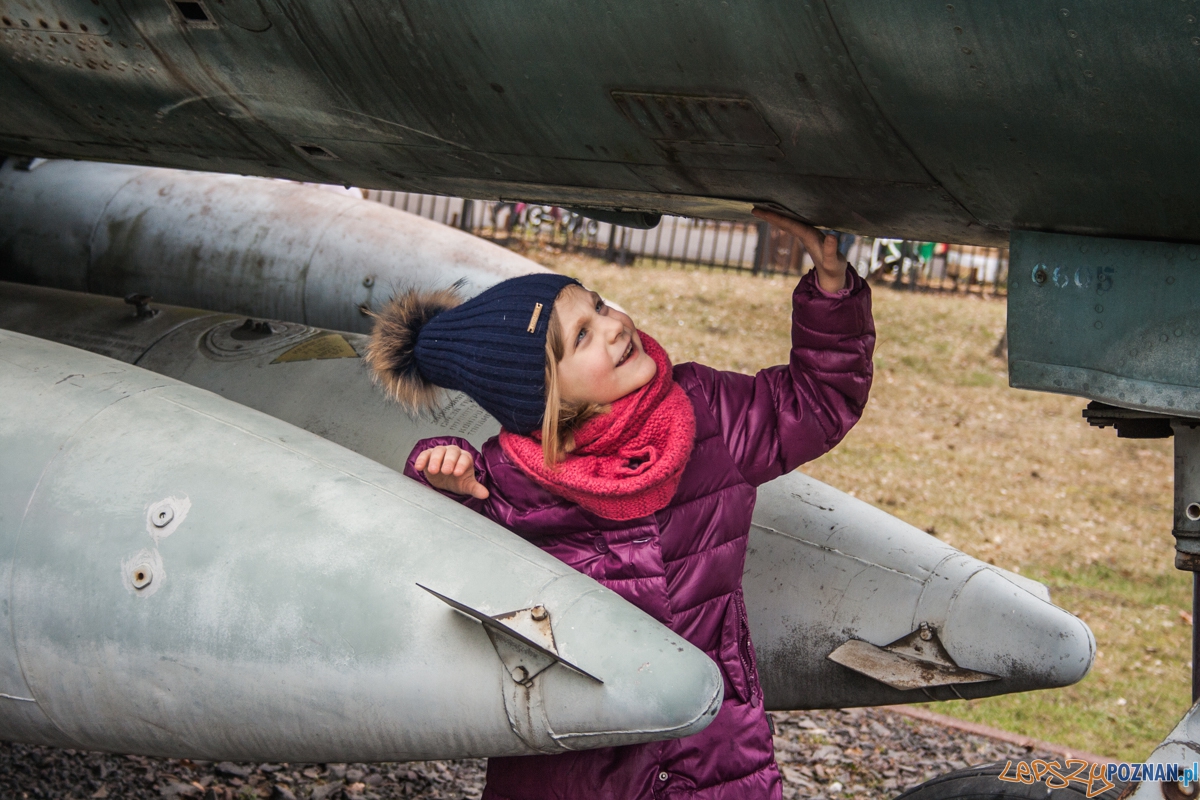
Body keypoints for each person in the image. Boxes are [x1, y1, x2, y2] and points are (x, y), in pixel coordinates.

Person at [364, 209, 875, 800]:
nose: (612, 326)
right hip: (576, 764)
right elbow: (446, 568)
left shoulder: (707, 414)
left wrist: (832, 291)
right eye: (581, 335)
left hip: (712, 750)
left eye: (600, 306)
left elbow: (815, 403)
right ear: (543, 398)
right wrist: (438, 474)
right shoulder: (509, 482)